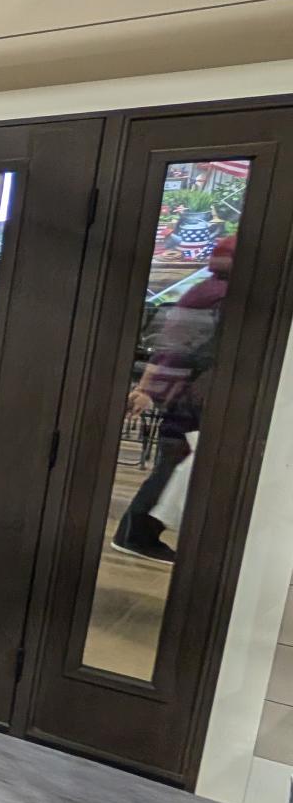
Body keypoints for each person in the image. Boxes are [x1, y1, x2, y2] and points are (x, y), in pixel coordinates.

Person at [112, 235, 235, 561]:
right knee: (175, 463)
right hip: (192, 395)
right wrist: (148, 391)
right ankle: (137, 534)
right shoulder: (224, 298)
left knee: (175, 462)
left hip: (181, 392)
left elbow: (170, 348)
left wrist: (149, 389)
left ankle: (137, 533)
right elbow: (187, 352)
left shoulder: (205, 291)